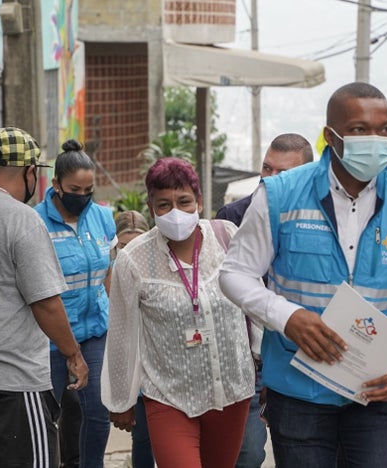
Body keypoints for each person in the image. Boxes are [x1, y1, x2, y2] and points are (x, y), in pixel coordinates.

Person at [219, 82, 387, 467]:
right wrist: (286, 317)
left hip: (380, 388)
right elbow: (235, 273)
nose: (374, 139)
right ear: (331, 136)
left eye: (384, 129)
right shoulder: (280, 194)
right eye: (359, 129)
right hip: (299, 387)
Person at [101, 157, 255, 467]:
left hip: (230, 392)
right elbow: (121, 332)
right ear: (151, 207)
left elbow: (254, 301)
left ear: (199, 200)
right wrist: (121, 399)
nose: (176, 212)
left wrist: (267, 369)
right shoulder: (133, 260)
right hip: (169, 396)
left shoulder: (227, 237)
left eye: (184, 202)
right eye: (164, 205)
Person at [0, 126, 89, 467]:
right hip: (14, 384)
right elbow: (45, 302)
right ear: (30, 172)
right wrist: (73, 354)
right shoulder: (21, 219)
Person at [216, 133, 313, 468]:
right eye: (266, 169)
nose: (270, 180)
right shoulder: (233, 216)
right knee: (247, 454)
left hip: (302, 351)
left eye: (282, 173)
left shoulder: (318, 221)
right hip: (247, 357)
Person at [34, 139, 115, 468]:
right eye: (74, 190)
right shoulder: (35, 222)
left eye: (88, 190)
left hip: (95, 330)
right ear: (56, 184)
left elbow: (108, 271)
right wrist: (67, 349)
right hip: (50, 337)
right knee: (48, 415)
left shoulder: (103, 217)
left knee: (98, 412)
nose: (82, 196)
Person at [112, 209, 155, 468]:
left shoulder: (158, 272)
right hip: (131, 371)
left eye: (136, 244)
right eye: (123, 246)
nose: (129, 253)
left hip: (157, 367)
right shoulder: (109, 276)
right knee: (142, 437)